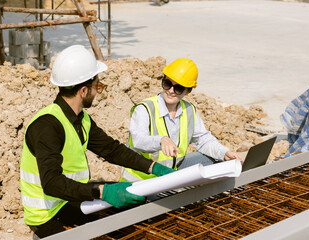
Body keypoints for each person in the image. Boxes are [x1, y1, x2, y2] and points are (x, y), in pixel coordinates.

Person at [20, 45, 174, 239]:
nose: (98, 91)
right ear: (83, 91)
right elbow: (52, 184)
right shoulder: (47, 126)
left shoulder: (80, 119)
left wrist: (153, 167)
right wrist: (101, 191)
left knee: (130, 211)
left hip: (69, 201)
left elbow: (111, 150)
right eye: (97, 86)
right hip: (47, 215)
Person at [121, 58, 243, 182]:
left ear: (188, 91)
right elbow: (138, 141)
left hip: (171, 170)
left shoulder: (189, 111)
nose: (171, 91)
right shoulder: (145, 109)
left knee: (218, 159)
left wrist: (224, 153)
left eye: (178, 88)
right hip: (142, 180)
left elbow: (203, 140)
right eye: (167, 84)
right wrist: (161, 140)